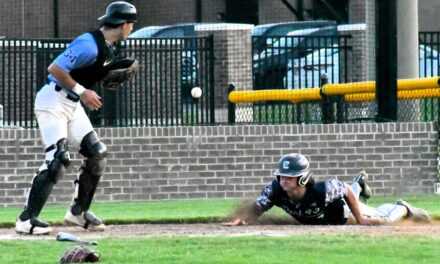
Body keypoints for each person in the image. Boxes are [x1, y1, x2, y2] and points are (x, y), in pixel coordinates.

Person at [15, 1, 137, 235]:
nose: (131, 29)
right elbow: (54, 68)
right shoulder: (89, 45)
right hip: (53, 100)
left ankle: (77, 212)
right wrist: (84, 91)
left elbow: (85, 73)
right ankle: (26, 219)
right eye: (131, 24)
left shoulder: (108, 48)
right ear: (124, 25)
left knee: (97, 153)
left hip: (71, 104)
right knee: (58, 158)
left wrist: (102, 77)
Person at [223, 153, 431, 226]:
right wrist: (242, 218)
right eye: (282, 176)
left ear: (303, 178)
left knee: (380, 218)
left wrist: (361, 219)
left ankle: (403, 207)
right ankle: (359, 182)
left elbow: (344, 191)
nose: (284, 180)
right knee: (351, 189)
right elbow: (258, 207)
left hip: (344, 214)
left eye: (290, 177)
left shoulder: (322, 190)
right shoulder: (274, 190)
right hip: (333, 207)